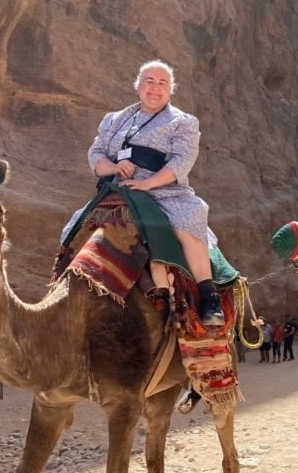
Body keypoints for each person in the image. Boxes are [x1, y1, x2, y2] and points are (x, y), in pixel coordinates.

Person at [84, 60, 224, 325]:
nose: (155, 88)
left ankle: (209, 297)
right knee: (74, 229)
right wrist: (114, 166)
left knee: (190, 220)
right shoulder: (114, 120)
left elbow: (182, 161)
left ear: (170, 90)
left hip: (165, 190)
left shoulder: (183, 122)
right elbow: (96, 154)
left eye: (163, 83)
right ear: (138, 86)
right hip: (117, 188)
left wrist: (149, 184)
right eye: (149, 81)